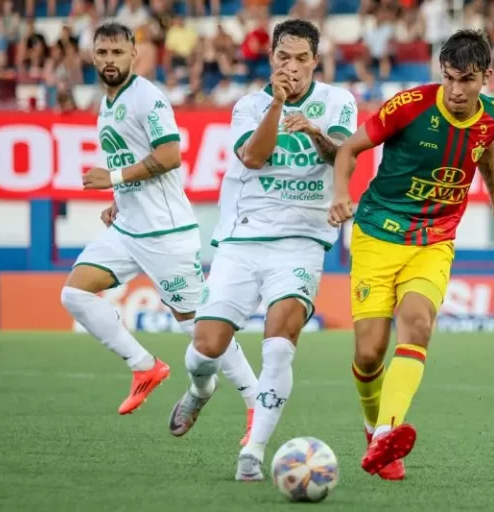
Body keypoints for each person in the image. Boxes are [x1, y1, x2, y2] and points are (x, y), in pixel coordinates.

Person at [167, 19, 358, 481]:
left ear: (315, 60)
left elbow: (343, 154)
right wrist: (277, 104)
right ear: (271, 58)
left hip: (301, 241)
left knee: (278, 346)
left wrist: (313, 130)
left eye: (301, 59)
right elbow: (253, 158)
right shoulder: (248, 106)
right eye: (282, 58)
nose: (291, 67)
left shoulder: (338, 101)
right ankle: (200, 387)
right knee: (205, 346)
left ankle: (253, 451)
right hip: (243, 237)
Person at [328, 29, 494, 480]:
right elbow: (349, 150)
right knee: (370, 353)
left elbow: (484, 150)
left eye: (467, 80)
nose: (455, 90)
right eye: (449, 78)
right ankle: (374, 425)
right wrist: (340, 194)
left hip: (434, 239)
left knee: (417, 324)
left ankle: (384, 440)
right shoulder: (409, 106)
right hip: (378, 233)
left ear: (486, 77)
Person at [61, 22, 258, 420]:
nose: (110, 60)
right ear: (92, 56)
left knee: (202, 331)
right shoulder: (107, 102)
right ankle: (144, 366)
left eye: (118, 52)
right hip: (128, 228)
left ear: (134, 54)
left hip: (165, 235)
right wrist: (119, 199)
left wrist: (113, 179)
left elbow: (170, 155)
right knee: (75, 294)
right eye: (102, 53)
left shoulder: (146, 98)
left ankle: (255, 400)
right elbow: (128, 155)